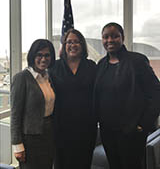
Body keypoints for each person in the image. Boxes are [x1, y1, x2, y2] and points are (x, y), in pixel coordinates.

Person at [94, 22, 160, 169]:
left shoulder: (137, 61)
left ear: (122, 38)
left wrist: (143, 125)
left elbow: (156, 93)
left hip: (132, 132)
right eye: (106, 37)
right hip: (108, 131)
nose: (110, 40)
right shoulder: (101, 65)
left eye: (114, 36)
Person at [49, 29, 97, 169]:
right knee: (62, 163)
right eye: (69, 42)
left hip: (86, 127)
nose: (73, 45)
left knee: (84, 162)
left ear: (82, 45)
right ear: (64, 45)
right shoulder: (54, 67)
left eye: (77, 41)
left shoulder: (91, 66)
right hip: (61, 127)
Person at [11, 39, 56, 169]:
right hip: (30, 140)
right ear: (32, 56)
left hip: (48, 136)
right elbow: (15, 115)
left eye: (47, 55)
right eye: (39, 55)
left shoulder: (48, 77)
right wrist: (17, 145)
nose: (43, 59)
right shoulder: (22, 78)